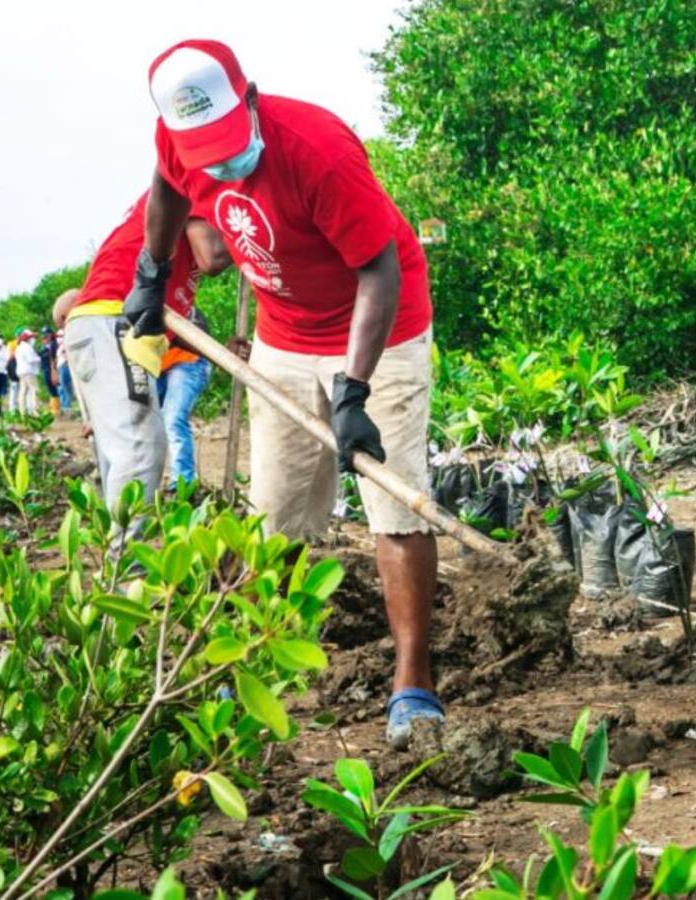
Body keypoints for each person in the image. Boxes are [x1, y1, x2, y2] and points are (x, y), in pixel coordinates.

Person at [134, 39, 438, 748]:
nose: (219, 162)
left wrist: (353, 391)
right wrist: (153, 272)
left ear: (249, 96)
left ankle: (413, 683)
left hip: (381, 329)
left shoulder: (317, 150)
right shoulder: (177, 139)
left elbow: (380, 270)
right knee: (273, 516)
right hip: (283, 336)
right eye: (202, 150)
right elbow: (168, 188)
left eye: (226, 142)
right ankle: (256, 667)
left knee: (396, 507)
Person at [64, 192, 225, 513]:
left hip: (110, 325)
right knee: (140, 449)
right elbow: (213, 258)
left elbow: (176, 329)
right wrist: (256, 239)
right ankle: (128, 547)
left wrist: (223, 352)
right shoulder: (200, 185)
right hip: (115, 317)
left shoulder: (176, 263)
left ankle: (117, 540)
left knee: (124, 452)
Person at [158, 307, 213, 492]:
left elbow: (201, 337)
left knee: (173, 418)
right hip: (157, 368)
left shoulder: (184, 306)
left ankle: (183, 485)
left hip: (189, 362)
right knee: (141, 421)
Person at [14, 331, 41, 415]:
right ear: (27, 338)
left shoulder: (19, 347)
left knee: (23, 391)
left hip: (21, 372)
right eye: (32, 337)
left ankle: (22, 412)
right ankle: (36, 411)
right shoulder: (27, 347)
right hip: (29, 372)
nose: (33, 339)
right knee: (35, 390)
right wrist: (39, 358)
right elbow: (30, 359)